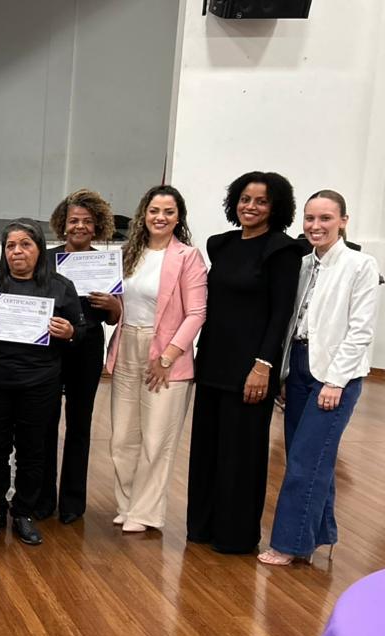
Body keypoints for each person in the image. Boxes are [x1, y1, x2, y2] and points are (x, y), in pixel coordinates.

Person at [259, 191, 379, 565]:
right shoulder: (304, 264)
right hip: (299, 365)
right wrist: (283, 372)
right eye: (310, 218)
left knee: (305, 462)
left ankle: (290, 545)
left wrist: (335, 381)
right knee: (308, 455)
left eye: (325, 218)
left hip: (334, 373)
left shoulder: (361, 265)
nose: (315, 226)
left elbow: (360, 331)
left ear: (343, 220)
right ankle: (320, 533)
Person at [187, 171, 301, 554]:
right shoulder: (221, 244)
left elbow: (280, 314)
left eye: (262, 201)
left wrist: (263, 365)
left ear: (276, 207)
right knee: (207, 449)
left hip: (251, 369)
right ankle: (201, 527)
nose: (251, 207)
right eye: (245, 199)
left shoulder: (282, 250)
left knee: (241, 455)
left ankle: (234, 536)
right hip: (213, 361)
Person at [0, 219, 82, 546]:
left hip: (40, 381)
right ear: (4, 251)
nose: (17, 251)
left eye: (25, 244)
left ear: (39, 248)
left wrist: (70, 332)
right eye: (11, 246)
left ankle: (24, 512)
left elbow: (80, 329)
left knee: (33, 449)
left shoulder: (60, 286)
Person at [105, 186, 206, 533]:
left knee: (156, 438)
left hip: (166, 353)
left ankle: (145, 512)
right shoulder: (129, 253)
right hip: (127, 345)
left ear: (179, 218)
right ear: (143, 215)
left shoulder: (188, 257)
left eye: (168, 212)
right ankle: (128, 503)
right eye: (154, 211)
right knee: (122, 437)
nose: (160, 218)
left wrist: (167, 357)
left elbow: (196, 313)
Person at [43, 189, 121, 524]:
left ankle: (73, 501)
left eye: (87, 221)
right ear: (63, 224)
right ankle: (42, 497)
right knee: (44, 424)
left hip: (88, 347)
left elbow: (116, 317)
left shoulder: (107, 262)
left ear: (98, 226)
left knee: (80, 424)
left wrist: (114, 306)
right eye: (74, 220)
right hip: (50, 348)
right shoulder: (46, 260)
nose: (80, 226)